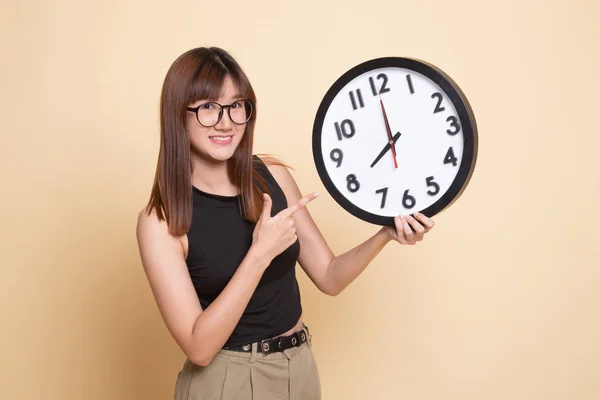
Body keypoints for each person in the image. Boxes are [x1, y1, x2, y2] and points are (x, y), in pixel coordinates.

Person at [135, 46, 435, 400]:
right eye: (208, 108)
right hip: (225, 379)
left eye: (235, 105)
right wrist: (259, 254)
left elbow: (329, 275)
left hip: (299, 366)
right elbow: (198, 348)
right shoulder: (161, 221)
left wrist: (384, 234)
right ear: (178, 115)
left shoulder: (271, 177)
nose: (226, 122)